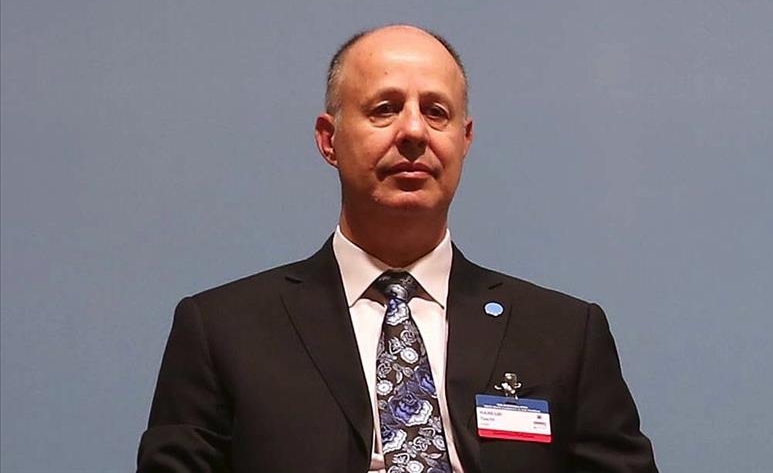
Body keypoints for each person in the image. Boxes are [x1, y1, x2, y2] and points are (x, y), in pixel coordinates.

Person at [137, 24, 657, 473]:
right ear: (329, 139)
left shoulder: (564, 334)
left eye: (436, 112)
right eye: (385, 110)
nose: (413, 131)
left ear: (465, 140)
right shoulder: (223, 330)